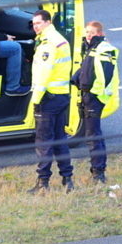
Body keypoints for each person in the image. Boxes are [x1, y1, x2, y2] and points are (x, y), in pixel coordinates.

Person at [27, 10, 74, 193]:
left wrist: (36, 99)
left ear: (47, 22)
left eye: (38, 23)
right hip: (61, 96)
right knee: (60, 140)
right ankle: (67, 179)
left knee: (44, 142)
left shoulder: (48, 43)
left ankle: (43, 182)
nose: (35, 27)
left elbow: (44, 73)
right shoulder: (60, 39)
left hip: (48, 98)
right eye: (33, 24)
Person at [72, 21, 120, 184]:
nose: (88, 35)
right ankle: (97, 170)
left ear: (99, 33)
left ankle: (98, 173)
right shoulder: (91, 47)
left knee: (94, 136)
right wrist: (76, 78)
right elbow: (88, 68)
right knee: (92, 135)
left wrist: (94, 94)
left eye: (92, 32)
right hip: (88, 95)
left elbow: (106, 75)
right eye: (87, 32)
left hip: (95, 97)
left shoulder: (104, 48)